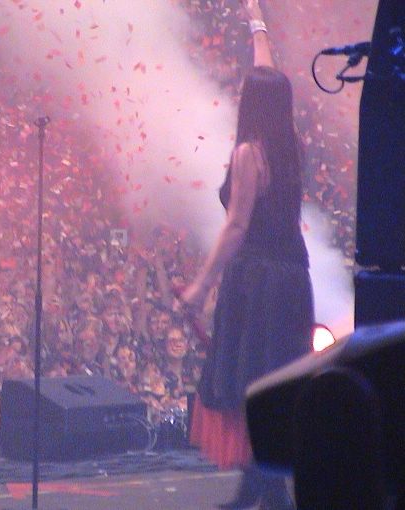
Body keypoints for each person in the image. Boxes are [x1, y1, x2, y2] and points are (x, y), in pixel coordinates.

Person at [180, 1, 314, 508]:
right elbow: (268, 74)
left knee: (248, 384)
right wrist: (256, 20)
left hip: (257, 282)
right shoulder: (288, 145)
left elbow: (236, 225)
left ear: (249, 105)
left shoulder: (248, 155)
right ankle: (266, 490)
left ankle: (258, 490)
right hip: (292, 277)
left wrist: (200, 286)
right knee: (273, 382)